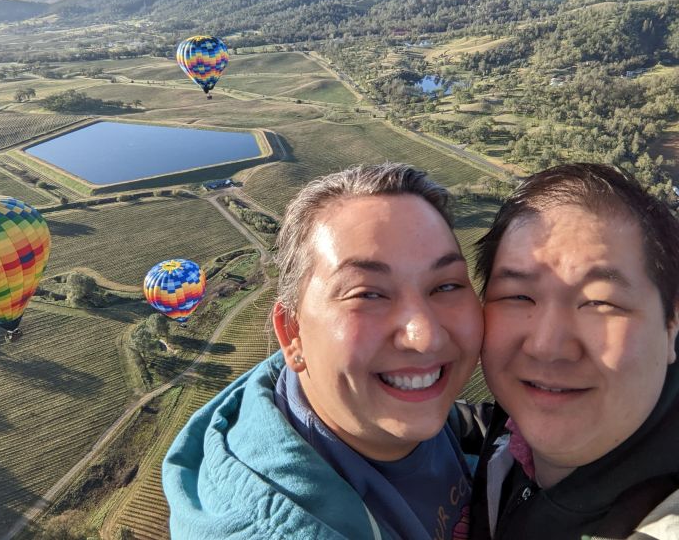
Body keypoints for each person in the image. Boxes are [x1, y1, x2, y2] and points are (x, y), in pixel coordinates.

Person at [163, 163, 486, 539]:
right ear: (293, 332)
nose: (425, 336)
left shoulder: (373, 403)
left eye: (446, 286)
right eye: (368, 293)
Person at [469, 163, 679, 540]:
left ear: (672, 321)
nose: (547, 346)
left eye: (600, 302)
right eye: (518, 296)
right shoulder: (510, 435)